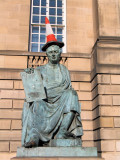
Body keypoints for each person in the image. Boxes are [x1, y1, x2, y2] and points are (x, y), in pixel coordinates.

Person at [21, 17, 83, 148]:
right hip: (45, 99)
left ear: (60, 54)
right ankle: (34, 136)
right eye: (51, 53)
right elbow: (33, 90)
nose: (53, 54)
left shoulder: (64, 70)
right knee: (37, 101)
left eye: (56, 52)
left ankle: (62, 132)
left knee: (72, 95)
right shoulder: (39, 70)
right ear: (47, 55)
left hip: (62, 98)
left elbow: (68, 87)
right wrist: (30, 75)